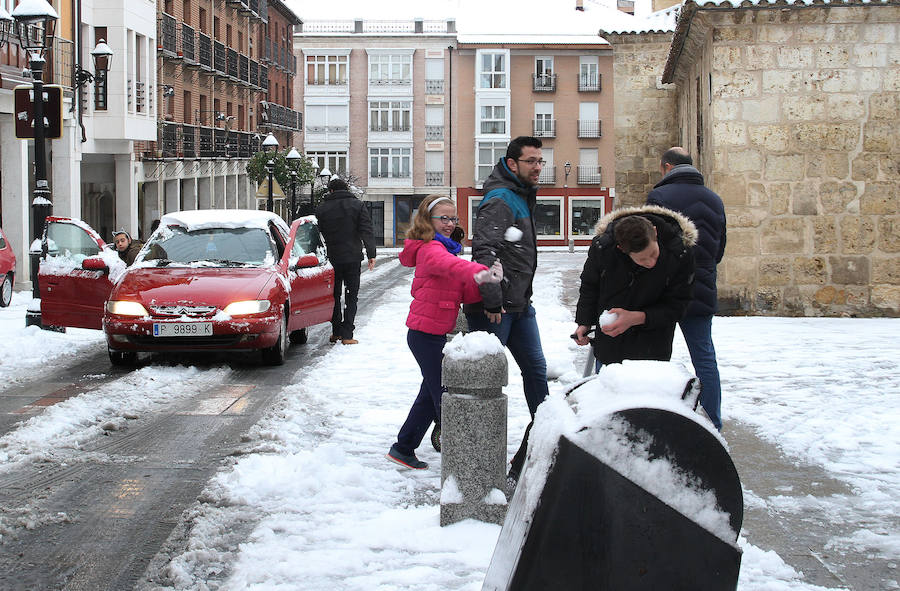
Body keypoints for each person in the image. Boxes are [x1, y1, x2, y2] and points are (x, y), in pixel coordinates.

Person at [387, 195, 503, 470]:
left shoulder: (447, 248)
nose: (450, 224)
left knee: (430, 392)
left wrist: (492, 294)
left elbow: (461, 287)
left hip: (433, 332)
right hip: (424, 334)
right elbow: (451, 267)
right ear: (429, 220)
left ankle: (403, 447)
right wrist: (481, 272)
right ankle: (463, 457)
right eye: (444, 218)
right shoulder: (431, 249)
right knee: (444, 395)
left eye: (454, 219)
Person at [463, 136, 549, 484]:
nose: (538, 168)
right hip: (497, 310)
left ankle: (540, 448)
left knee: (537, 374)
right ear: (512, 164)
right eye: (531, 161)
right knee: (483, 383)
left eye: (540, 161)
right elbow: (484, 252)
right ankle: (475, 461)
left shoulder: (519, 195)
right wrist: (492, 300)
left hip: (520, 306)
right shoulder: (500, 199)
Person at [646, 147, 727, 430]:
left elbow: (651, 249)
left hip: (666, 291)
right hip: (702, 288)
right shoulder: (715, 200)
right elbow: (719, 249)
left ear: (667, 167)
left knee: (657, 358)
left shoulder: (659, 197)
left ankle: (659, 421)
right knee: (705, 359)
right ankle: (713, 423)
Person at [573, 206, 696, 370]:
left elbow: (679, 304)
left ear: (655, 232)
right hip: (610, 346)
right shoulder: (603, 249)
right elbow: (590, 286)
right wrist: (584, 322)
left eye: (653, 253)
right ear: (621, 249)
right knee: (607, 393)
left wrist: (638, 318)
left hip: (652, 350)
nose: (651, 263)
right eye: (642, 259)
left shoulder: (679, 253)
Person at [315, 177, 377, 345]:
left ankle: (336, 332)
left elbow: (316, 236)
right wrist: (371, 253)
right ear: (346, 189)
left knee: (333, 295)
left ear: (331, 191)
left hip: (331, 259)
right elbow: (366, 229)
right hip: (352, 257)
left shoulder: (322, 209)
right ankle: (348, 334)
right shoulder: (357, 206)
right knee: (351, 295)